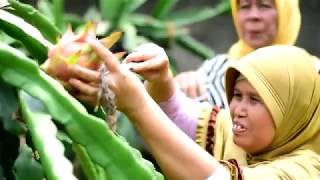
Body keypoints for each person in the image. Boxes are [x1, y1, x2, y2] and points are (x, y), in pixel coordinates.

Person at [72, 38, 320, 179]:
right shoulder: (234, 132)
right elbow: (180, 116)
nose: (238, 109)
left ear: (291, 113)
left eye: (255, 100)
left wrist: (137, 104)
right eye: (236, 95)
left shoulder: (304, 171)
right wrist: (162, 80)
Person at [175, 0, 301, 108]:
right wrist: (181, 88)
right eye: (245, 6)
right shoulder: (217, 68)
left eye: (264, 5)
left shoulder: (309, 76)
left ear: (286, 12)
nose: (253, 16)